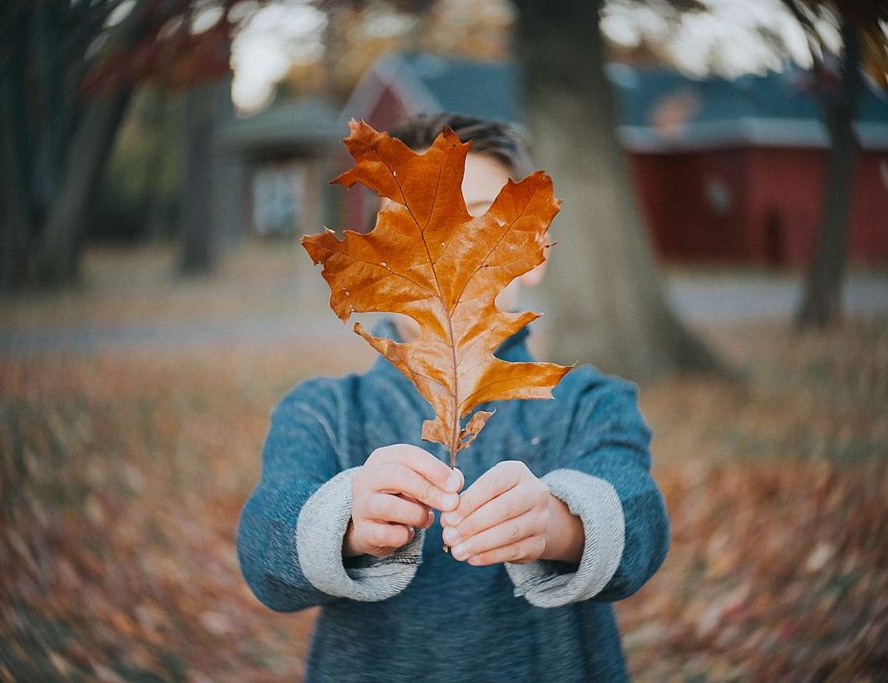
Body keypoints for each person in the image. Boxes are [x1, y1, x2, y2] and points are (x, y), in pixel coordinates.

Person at [236, 113, 670, 681]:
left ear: (534, 250)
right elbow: (264, 547)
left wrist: (560, 523)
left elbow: (639, 517)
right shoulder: (325, 413)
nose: (451, 246)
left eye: (483, 217)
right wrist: (344, 521)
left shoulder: (588, 402)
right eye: (417, 225)